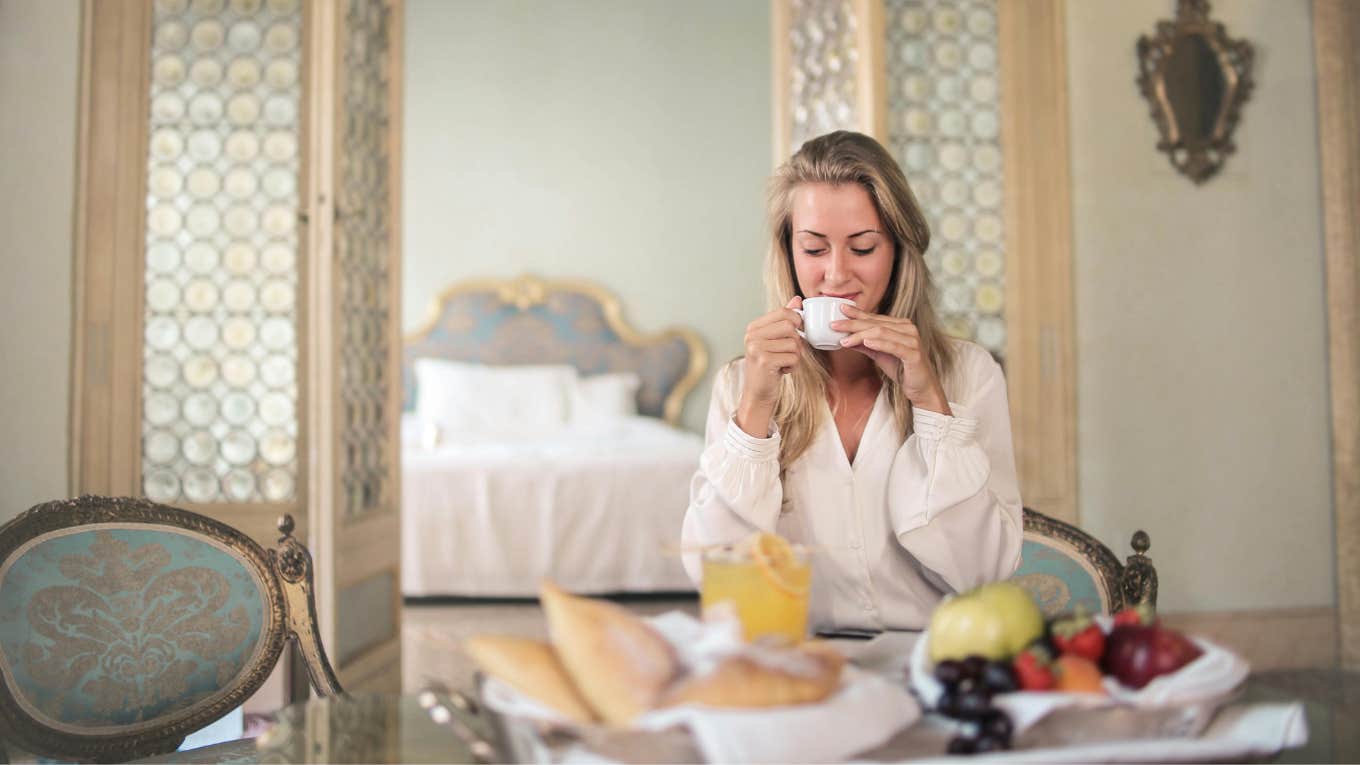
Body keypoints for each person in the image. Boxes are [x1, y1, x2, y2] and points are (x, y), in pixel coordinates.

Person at [681, 130, 1022, 632]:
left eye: (863, 247)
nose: (837, 276)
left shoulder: (969, 375)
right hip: (800, 664)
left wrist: (929, 401)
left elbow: (983, 573)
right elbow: (712, 575)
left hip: (932, 664)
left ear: (899, 251)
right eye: (814, 249)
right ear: (789, 252)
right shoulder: (740, 383)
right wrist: (755, 408)